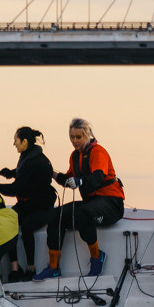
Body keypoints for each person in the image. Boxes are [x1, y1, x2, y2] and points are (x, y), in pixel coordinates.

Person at [36, 118, 125, 280]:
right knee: (55, 215)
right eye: (72, 137)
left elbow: (98, 176)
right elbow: (68, 180)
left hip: (111, 203)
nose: (75, 141)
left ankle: (97, 257)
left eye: (78, 137)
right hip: (92, 203)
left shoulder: (98, 152)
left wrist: (80, 181)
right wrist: (51, 173)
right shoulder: (75, 156)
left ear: (87, 135)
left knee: (83, 214)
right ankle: (54, 267)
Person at [0, 126, 56, 279]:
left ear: (24, 141)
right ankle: (15, 268)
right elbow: (20, 173)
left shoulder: (35, 161)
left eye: (16, 140)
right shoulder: (28, 155)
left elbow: (18, 188)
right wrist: (10, 173)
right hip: (28, 204)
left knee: (27, 226)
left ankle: (31, 268)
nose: (14, 143)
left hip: (41, 207)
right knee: (8, 221)